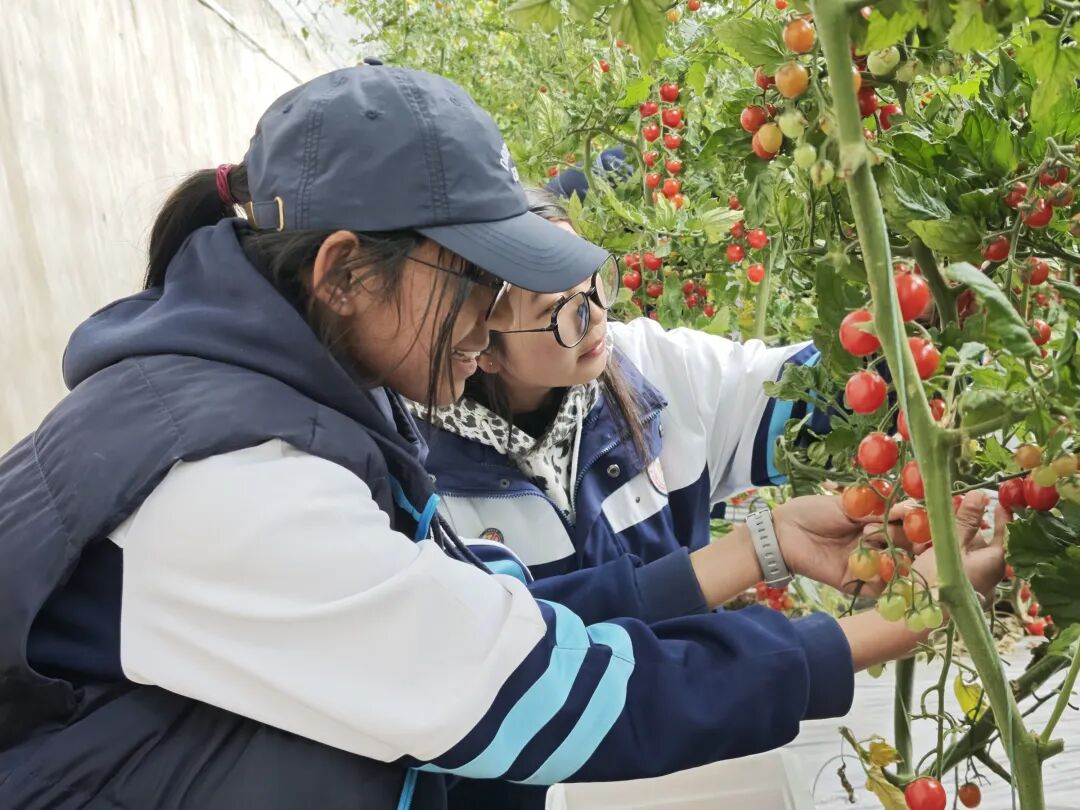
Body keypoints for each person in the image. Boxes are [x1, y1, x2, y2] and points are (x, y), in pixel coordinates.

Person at [0, 66, 1003, 810]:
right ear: (343, 273)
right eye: (477, 284)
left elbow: (489, 615)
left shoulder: (299, 413)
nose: (490, 324)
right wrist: (869, 634)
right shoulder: (228, 483)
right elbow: (528, 689)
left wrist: (767, 545)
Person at [421, 189, 828, 578]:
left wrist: (861, 351)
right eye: (560, 309)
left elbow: (796, 391)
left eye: (592, 280)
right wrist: (762, 549)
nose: (597, 314)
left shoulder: (653, 368)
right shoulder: (431, 488)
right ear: (479, 342)